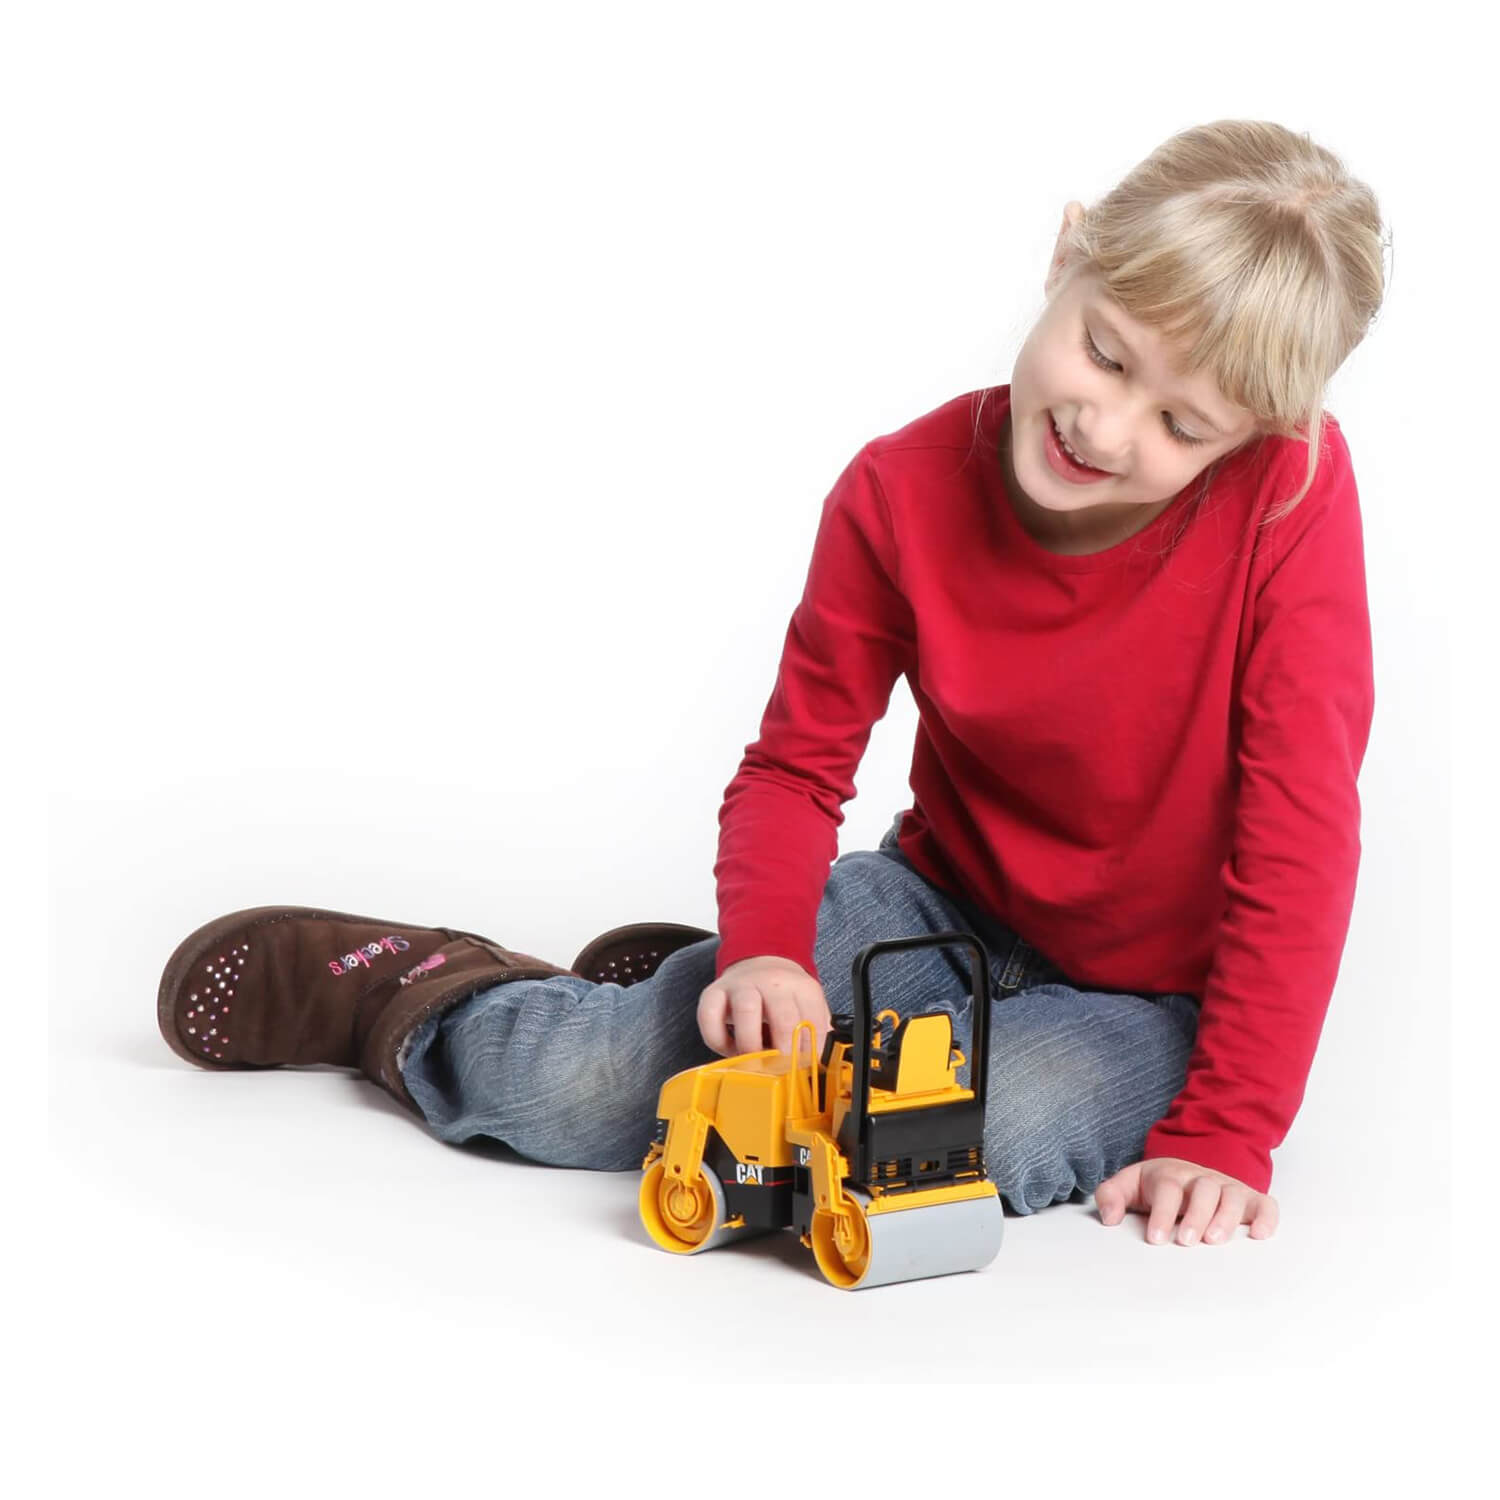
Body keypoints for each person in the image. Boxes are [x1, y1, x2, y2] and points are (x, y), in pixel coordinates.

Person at [156, 119, 1388, 1250]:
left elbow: (1301, 841)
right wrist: (766, 950)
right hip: (940, 903)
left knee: (969, 1138)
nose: (1110, 434)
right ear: (1067, 255)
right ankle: (424, 995)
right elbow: (798, 767)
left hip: (1156, 998)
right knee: (564, 1088)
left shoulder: (1290, 500)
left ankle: (719, 984)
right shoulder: (898, 492)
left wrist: (1226, 1131)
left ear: (1259, 438)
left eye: (1185, 429)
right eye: (1106, 356)